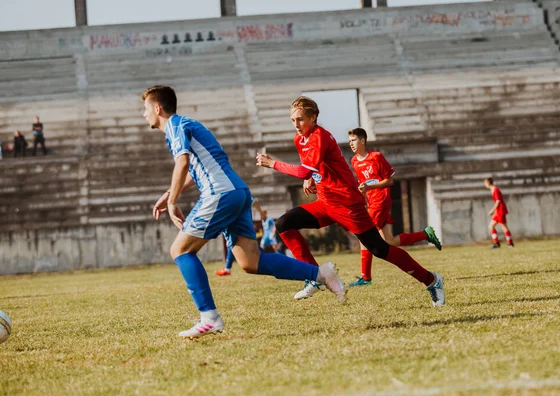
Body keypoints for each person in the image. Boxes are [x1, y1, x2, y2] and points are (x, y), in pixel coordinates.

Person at [142, 85, 347, 338]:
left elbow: (182, 162)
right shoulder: (190, 124)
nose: (144, 115)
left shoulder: (173, 125)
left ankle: (209, 317)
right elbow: (204, 165)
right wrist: (169, 193)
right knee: (251, 262)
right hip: (237, 192)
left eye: (145, 109)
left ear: (157, 108)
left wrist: (172, 201)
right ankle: (320, 273)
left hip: (220, 194)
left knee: (180, 250)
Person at [256, 96, 444, 306]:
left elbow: (302, 170)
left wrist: (273, 163)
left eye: (300, 119)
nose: (296, 125)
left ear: (314, 117)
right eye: (293, 120)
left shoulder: (320, 137)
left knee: (380, 249)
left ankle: (432, 280)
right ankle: (313, 276)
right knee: (284, 223)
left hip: (347, 204)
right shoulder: (299, 140)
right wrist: (310, 178)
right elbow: (310, 168)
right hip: (325, 203)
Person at [348, 127, 442, 287]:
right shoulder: (354, 161)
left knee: (364, 234)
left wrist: (370, 188)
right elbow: (363, 183)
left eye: (354, 140)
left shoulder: (376, 157)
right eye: (349, 141)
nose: (351, 143)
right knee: (390, 241)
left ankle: (366, 277)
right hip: (371, 202)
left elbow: (390, 181)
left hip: (381, 200)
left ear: (362, 141)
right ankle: (425, 234)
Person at [215, 199, 263, 277]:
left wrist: (261, 213)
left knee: (247, 246)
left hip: (242, 226)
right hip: (240, 225)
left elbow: (254, 201)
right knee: (233, 245)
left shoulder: (239, 193)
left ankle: (227, 268)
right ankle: (227, 268)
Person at [484, 178, 513, 248]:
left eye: (485, 183)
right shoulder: (493, 189)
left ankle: (510, 244)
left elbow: (498, 201)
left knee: (504, 227)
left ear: (488, 182)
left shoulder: (495, 189)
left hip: (500, 211)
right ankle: (497, 243)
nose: (484, 185)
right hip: (498, 211)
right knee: (491, 226)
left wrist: (492, 210)